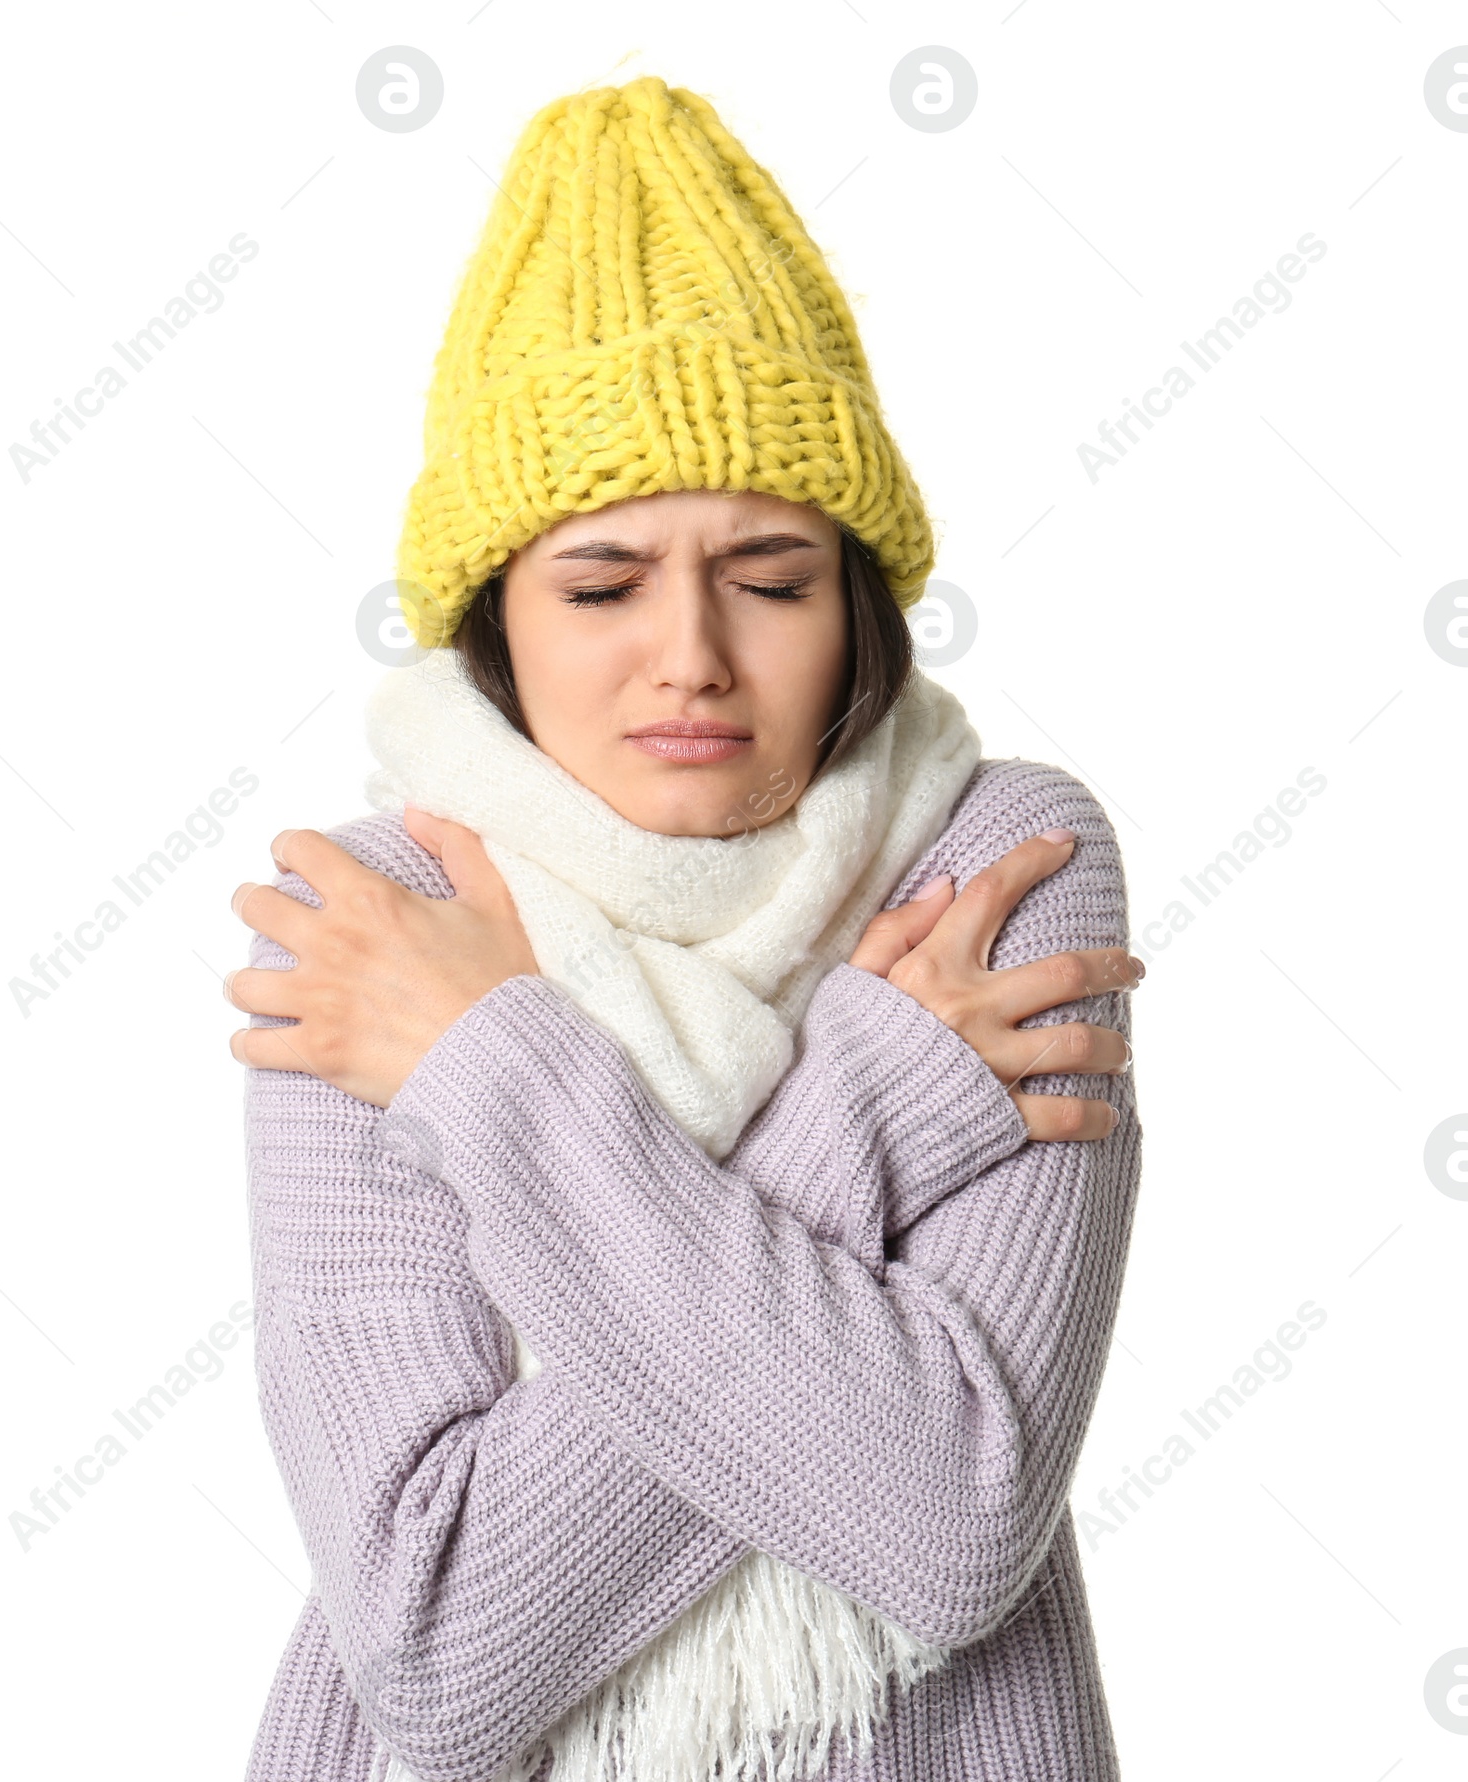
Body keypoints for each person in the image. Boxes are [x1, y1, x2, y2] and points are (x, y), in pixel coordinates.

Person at [228, 76, 1143, 1782]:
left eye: (774, 576)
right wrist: (888, 1086)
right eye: (601, 583)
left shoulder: (1006, 856)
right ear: (492, 613)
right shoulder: (376, 930)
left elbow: (946, 1516)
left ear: (859, 596)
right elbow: (438, 1651)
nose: (694, 657)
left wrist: (486, 1073)